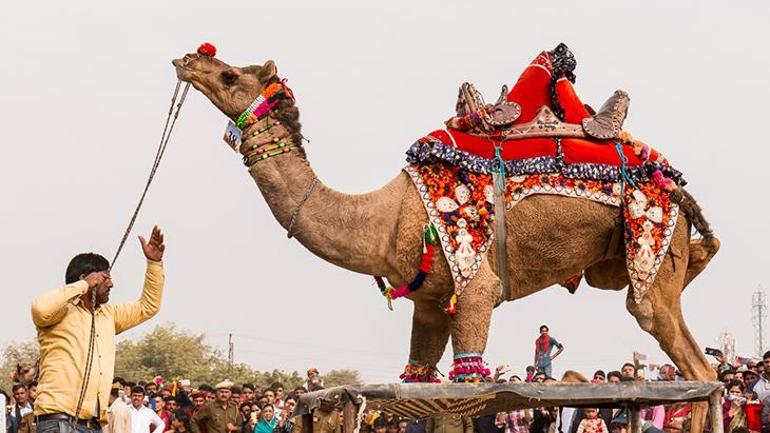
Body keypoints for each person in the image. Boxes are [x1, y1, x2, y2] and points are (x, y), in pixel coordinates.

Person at [31, 226, 166, 433]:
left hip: (94, 425)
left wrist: (154, 263)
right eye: (105, 278)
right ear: (87, 278)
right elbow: (40, 309)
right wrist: (83, 285)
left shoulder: (108, 315)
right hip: (58, 423)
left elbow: (148, 307)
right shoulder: (61, 310)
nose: (111, 284)